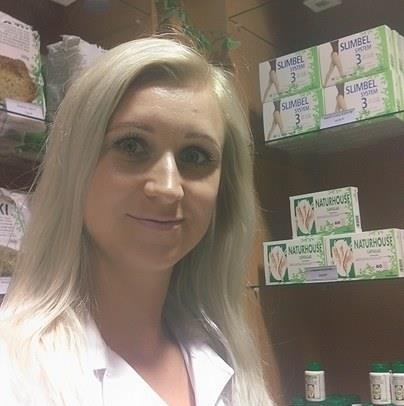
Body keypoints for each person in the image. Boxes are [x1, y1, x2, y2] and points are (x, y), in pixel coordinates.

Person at [0, 37, 274, 405]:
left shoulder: (227, 353)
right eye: (132, 146)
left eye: (195, 155)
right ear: (76, 167)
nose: (168, 188)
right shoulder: (12, 370)